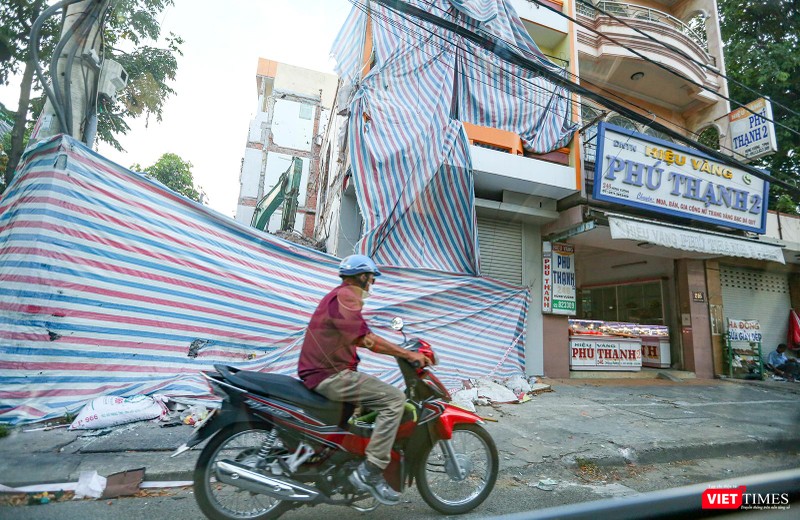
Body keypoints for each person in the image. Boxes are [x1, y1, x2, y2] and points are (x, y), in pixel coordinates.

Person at [298, 254, 431, 505]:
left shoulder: (337, 296)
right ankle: (371, 470)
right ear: (362, 277)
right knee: (394, 399)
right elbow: (367, 340)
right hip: (330, 375)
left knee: (368, 404)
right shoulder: (347, 296)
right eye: (371, 279)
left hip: (322, 372)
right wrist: (407, 354)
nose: (372, 284)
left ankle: (350, 459)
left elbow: (357, 337)